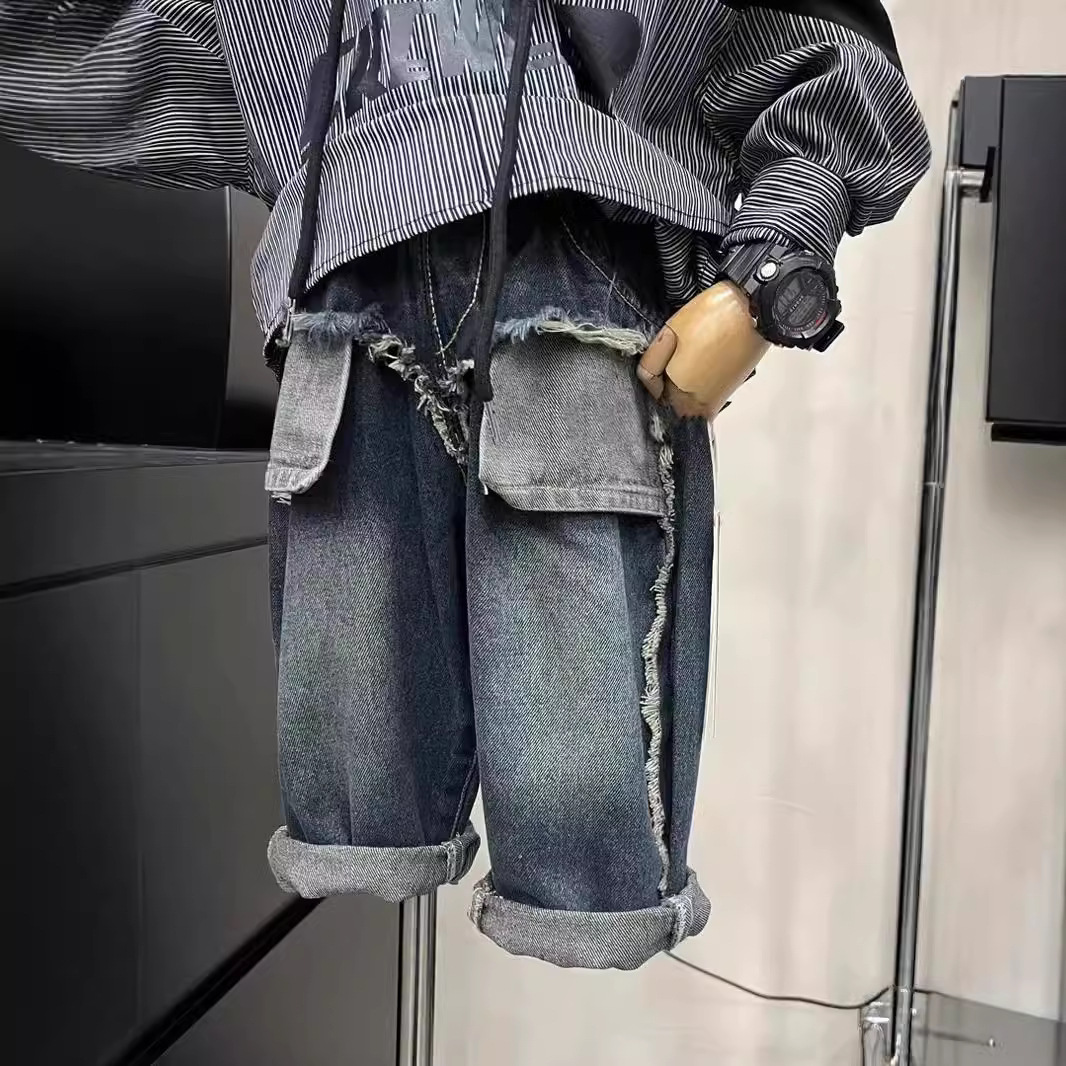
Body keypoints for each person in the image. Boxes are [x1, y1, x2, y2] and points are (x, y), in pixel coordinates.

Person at [0, 0, 930, 970]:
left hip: (571, 259)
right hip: (347, 291)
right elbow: (142, 61)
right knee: (362, 781)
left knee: (578, 826)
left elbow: (812, 44)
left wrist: (771, 269)